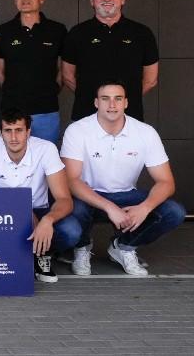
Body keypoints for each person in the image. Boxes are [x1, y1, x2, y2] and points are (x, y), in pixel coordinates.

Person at [61, 81, 185, 276]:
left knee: (174, 212)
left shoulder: (145, 132)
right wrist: (109, 207)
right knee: (73, 206)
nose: (112, 105)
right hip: (88, 196)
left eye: (118, 99)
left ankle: (124, 247)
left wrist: (145, 208)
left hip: (127, 197)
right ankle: (82, 247)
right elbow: (71, 180)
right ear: (96, 103)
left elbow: (166, 182)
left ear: (126, 103)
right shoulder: (78, 130)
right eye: (105, 99)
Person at [0, 108, 78, 283]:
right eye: (8, 131)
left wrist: (48, 220)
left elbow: (65, 200)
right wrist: (20, 211)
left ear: (28, 131)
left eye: (19, 130)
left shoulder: (46, 149)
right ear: (0, 133)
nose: (13, 137)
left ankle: (43, 254)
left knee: (71, 230)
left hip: (39, 210)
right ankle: (18, 258)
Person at [62, 0, 159, 122]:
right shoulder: (77, 33)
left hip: (129, 116)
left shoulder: (142, 33)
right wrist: (95, 99)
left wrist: (122, 100)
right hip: (86, 116)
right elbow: (68, 76)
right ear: (92, 1)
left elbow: (150, 80)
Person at [0, 0, 67, 145]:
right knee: (11, 162)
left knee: (46, 161)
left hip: (46, 110)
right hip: (12, 112)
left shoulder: (57, 30)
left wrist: (52, 90)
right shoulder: (3, 31)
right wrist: (13, 92)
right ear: (15, 0)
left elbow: (62, 69)